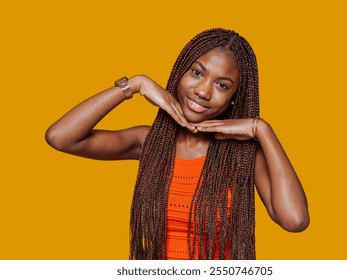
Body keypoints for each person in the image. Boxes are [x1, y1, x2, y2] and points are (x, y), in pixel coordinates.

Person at [45, 28, 309, 260]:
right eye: (197, 73)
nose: (203, 91)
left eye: (222, 85)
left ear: (233, 98)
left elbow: (294, 220)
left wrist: (261, 129)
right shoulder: (150, 142)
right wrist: (135, 85)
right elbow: (60, 137)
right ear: (180, 73)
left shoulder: (242, 155)